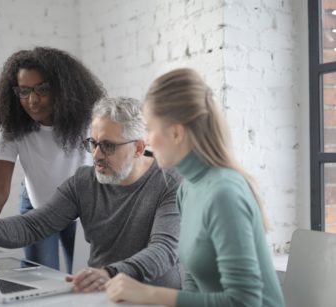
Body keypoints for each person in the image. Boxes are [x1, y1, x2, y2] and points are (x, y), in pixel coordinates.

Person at [0, 97, 182, 292]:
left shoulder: (169, 183)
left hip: (155, 299)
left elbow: (163, 250)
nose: (96, 155)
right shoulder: (84, 181)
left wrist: (109, 273)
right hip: (102, 296)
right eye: (93, 143)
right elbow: (32, 226)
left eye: (108, 146)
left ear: (138, 147)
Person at [105, 69, 285, 306]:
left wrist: (148, 293)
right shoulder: (187, 188)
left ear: (176, 133)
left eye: (149, 129)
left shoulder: (224, 194)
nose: (146, 140)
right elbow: (193, 282)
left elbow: (245, 302)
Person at [0, 47, 105, 273]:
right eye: (24, 90)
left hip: (82, 210)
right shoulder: (12, 126)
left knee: (82, 277)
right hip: (37, 208)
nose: (32, 100)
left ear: (62, 88)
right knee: (38, 278)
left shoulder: (88, 119)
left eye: (42, 89)